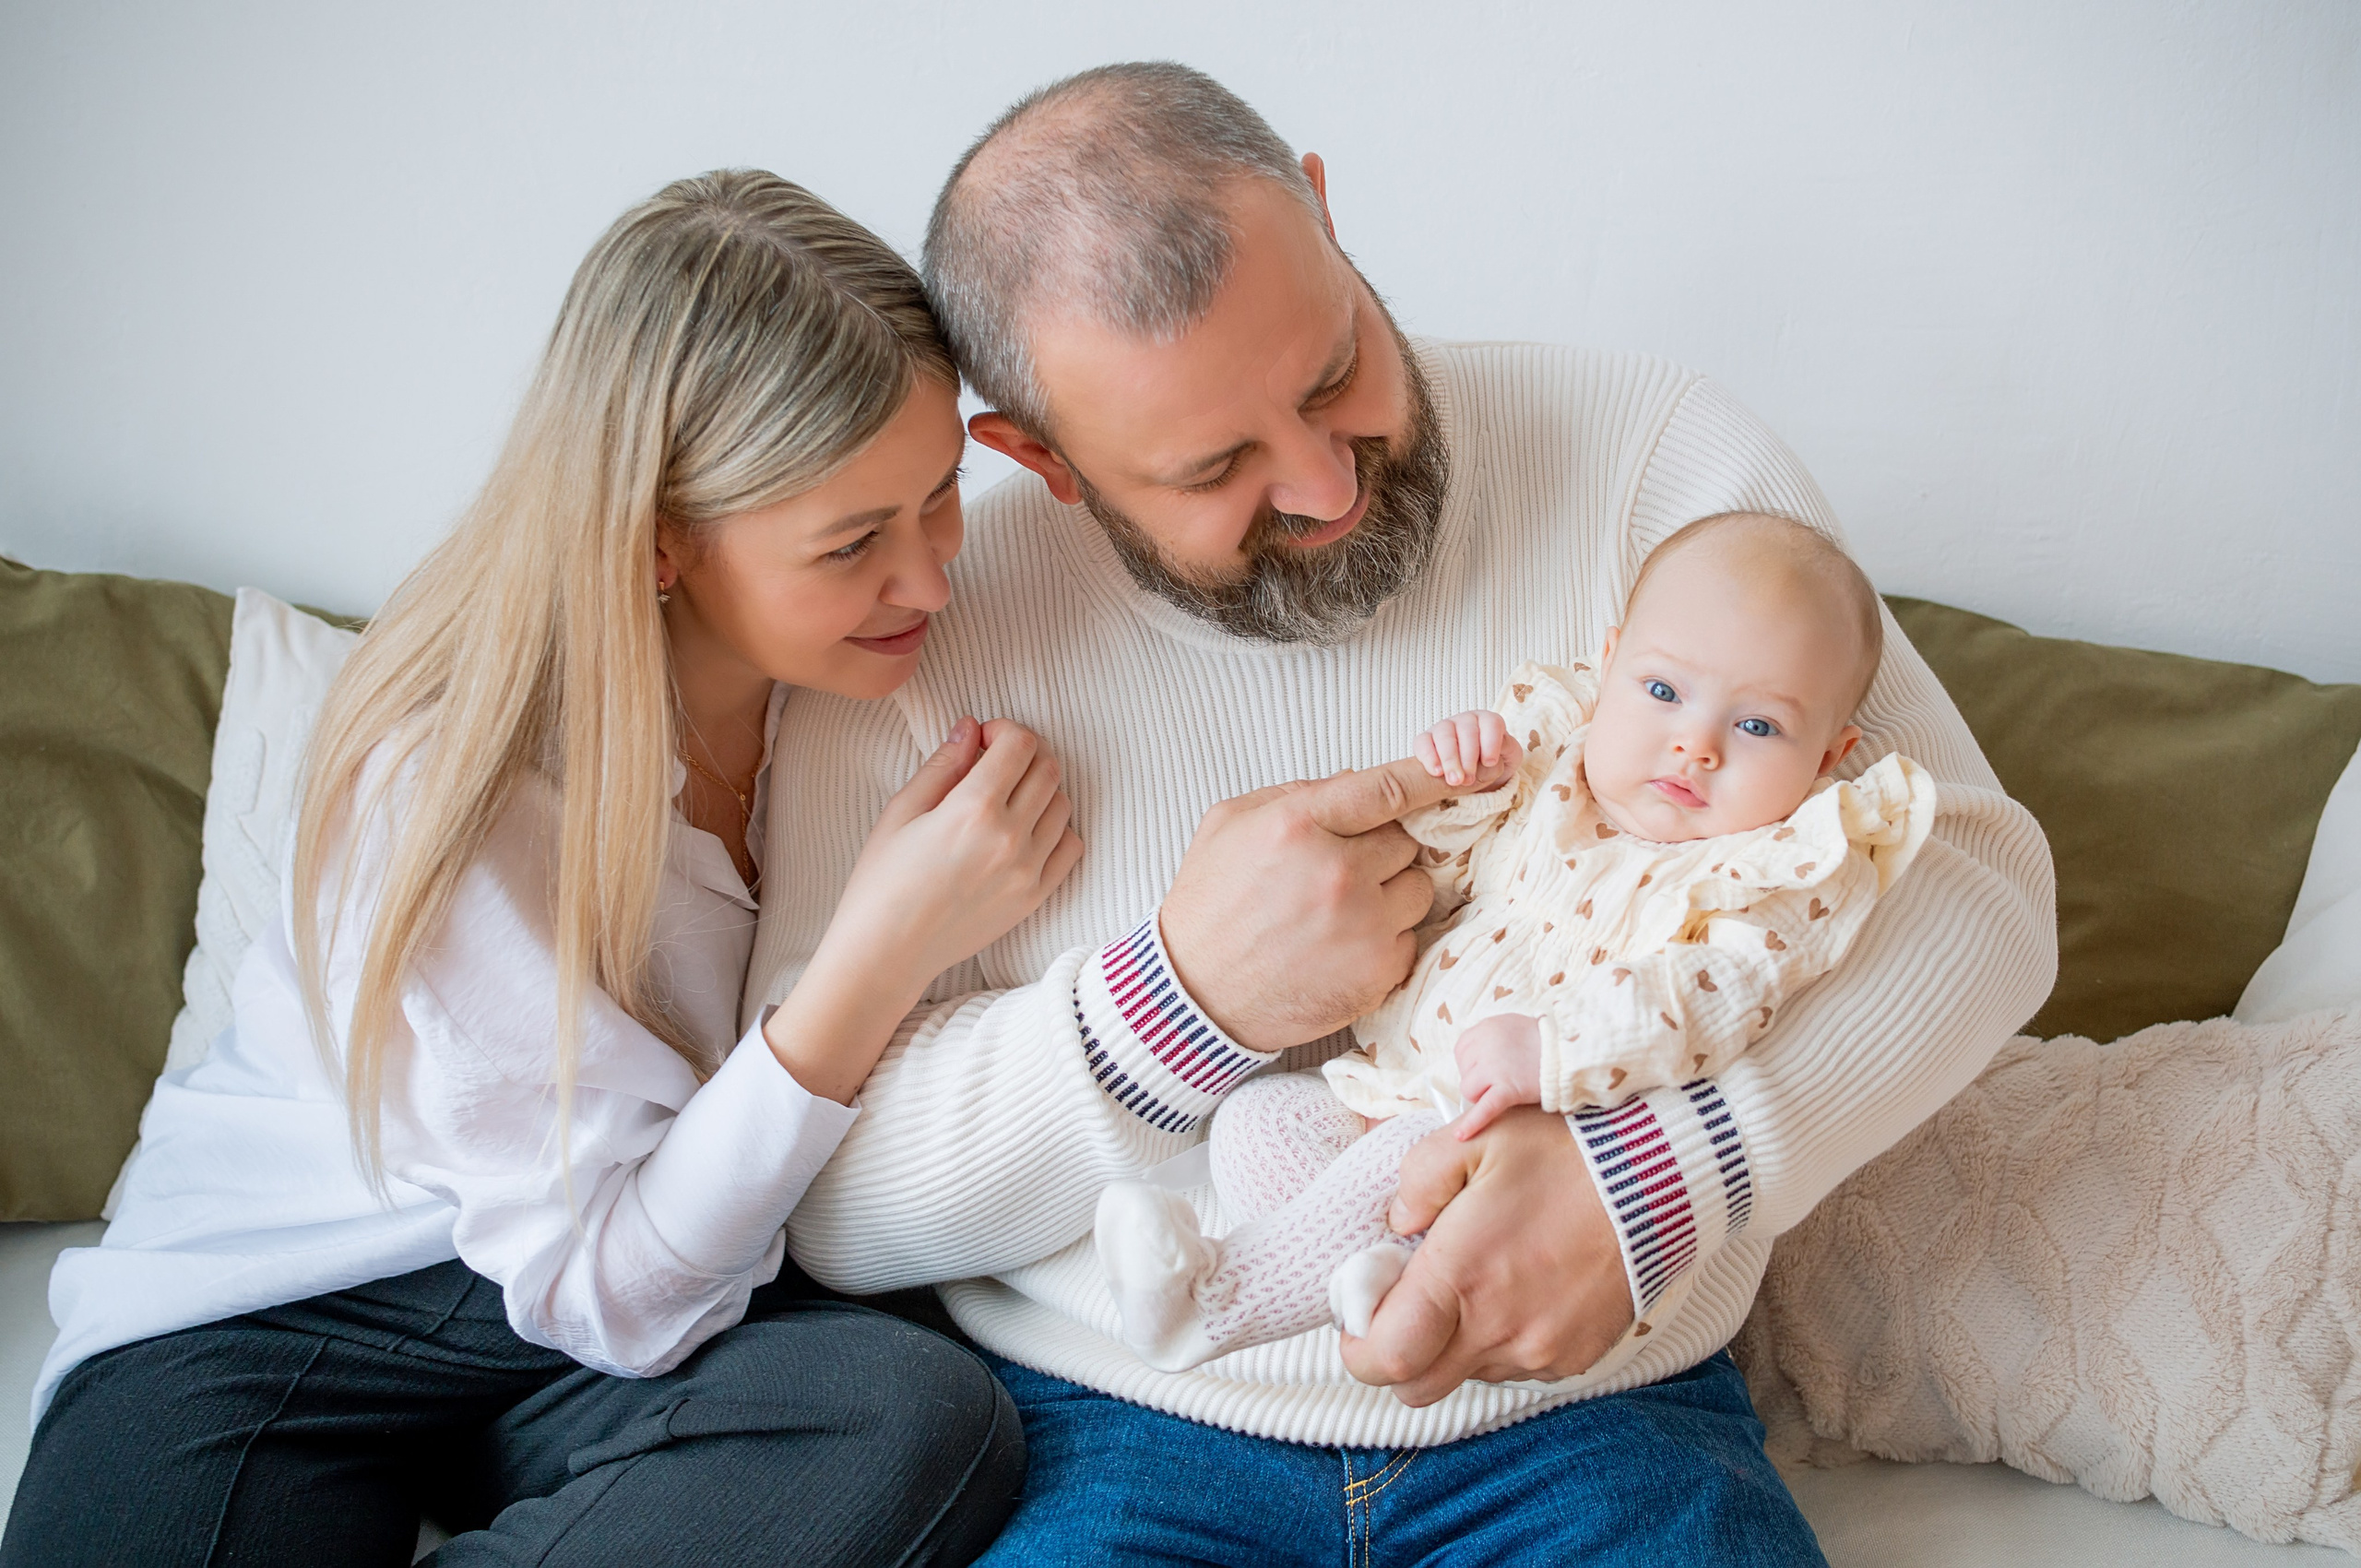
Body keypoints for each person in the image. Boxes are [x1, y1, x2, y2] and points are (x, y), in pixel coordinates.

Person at [761, 63, 2057, 1565]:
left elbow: (1971, 878)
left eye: (1331, 374)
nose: (1323, 484)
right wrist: (1177, 1007)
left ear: (1323, 208)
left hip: (1596, 1415)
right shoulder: (921, 627)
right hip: (1114, 1429)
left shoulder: (1653, 455)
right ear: (1039, 458)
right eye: (1216, 467)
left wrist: (1667, 1172)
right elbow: (827, 1201)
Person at [3, 171, 1078, 1568]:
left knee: (921, 1416)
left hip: (580, 1328)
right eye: (853, 542)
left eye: (940, 496)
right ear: (656, 547)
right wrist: (880, 954)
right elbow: (615, 1287)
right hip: (274, 1332)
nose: (931, 578)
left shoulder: (855, 669)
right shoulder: (456, 788)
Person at [1094, 511, 1939, 1372]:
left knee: (1401, 1159)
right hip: (1388, 1085)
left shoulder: (1768, 870)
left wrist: (1556, 1048)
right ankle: (1382, 1275)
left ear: (1831, 753)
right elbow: (1432, 871)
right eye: (1662, 692)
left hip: (1521, 1141)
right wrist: (1460, 775)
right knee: (1258, 1121)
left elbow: (1711, 1001)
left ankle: (1213, 1306)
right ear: (1609, 665)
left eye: (1757, 727)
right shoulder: (1552, 774)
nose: (1696, 745)